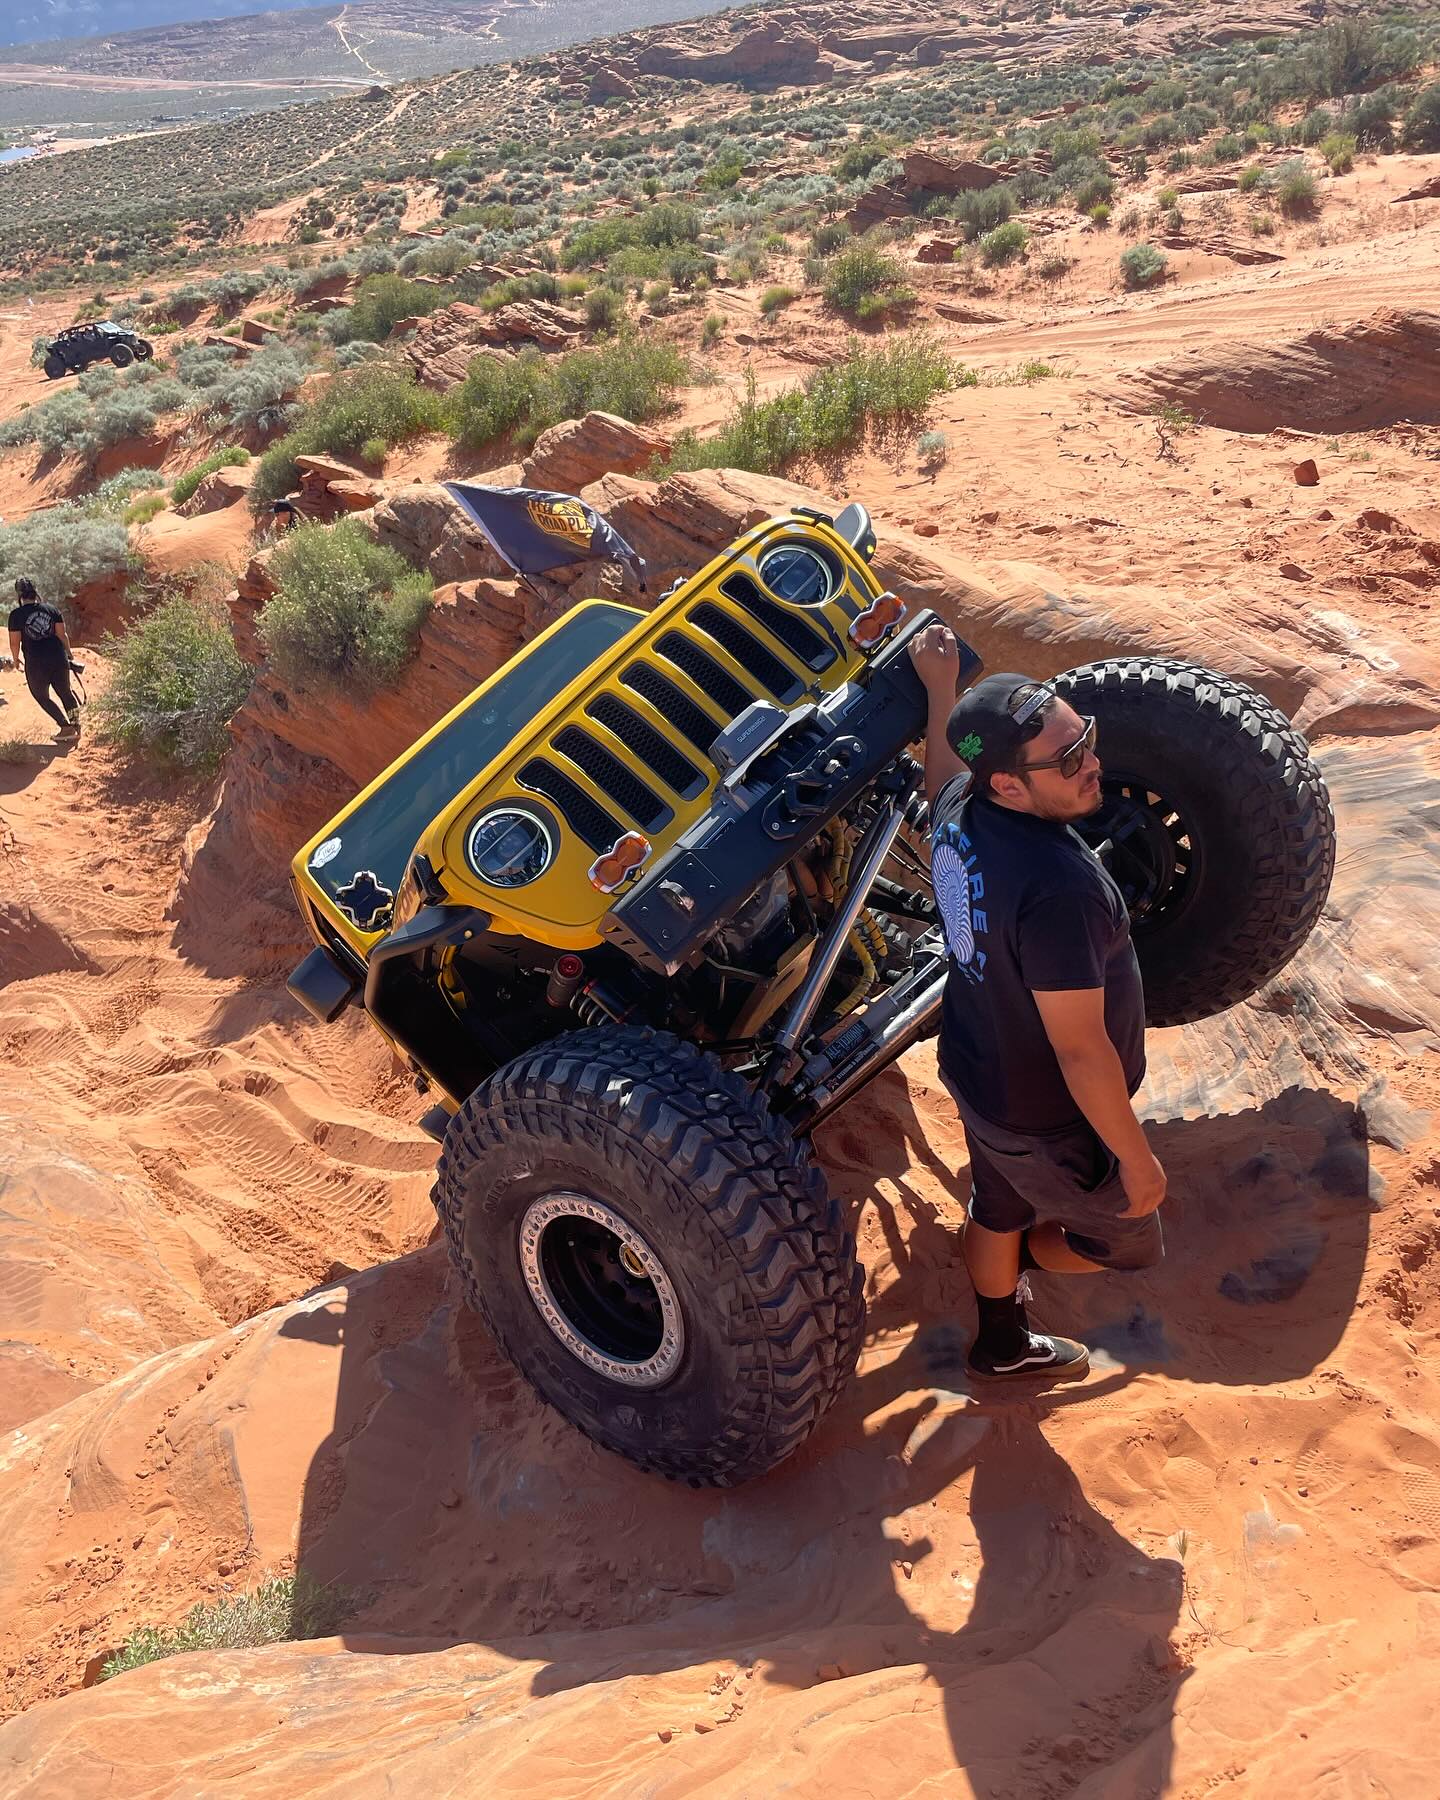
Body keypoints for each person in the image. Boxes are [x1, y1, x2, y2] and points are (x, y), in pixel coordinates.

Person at [910, 624, 1166, 1383]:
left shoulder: (959, 811)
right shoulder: (1059, 890)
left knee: (996, 1202)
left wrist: (940, 691)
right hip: (1050, 1116)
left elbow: (940, 773)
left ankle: (1000, 1340)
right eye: (1067, 760)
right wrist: (1136, 1160)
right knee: (1124, 1240)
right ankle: (1023, 1259)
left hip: (977, 1067)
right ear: (1009, 786)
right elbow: (1080, 1050)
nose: (1092, 764)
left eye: (1085, 739)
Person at [7, 577, 81, 738]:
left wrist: (15, 659)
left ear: (19, 595)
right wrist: (69, 653)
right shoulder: (51, 609)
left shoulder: (16, 615)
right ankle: (76, 724)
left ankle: (65, 727)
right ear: (35, 592)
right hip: (58, 658)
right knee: (66, 693)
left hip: (36, 663)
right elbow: (62, 635)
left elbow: (14, 643)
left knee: (41, 696)